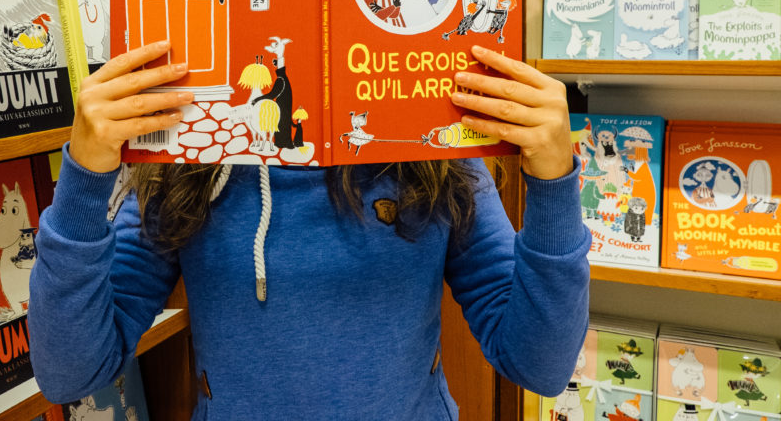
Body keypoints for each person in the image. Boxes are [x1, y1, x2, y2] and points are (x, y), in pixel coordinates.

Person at [29, 40, 591, 419]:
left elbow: (538, 363)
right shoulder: (189, 156)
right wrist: (86, 173)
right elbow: (70, 371)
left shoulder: (438, 154)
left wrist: (554, 180)